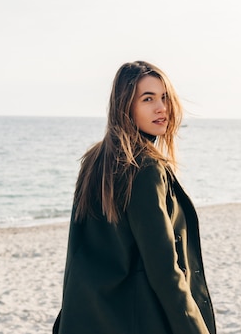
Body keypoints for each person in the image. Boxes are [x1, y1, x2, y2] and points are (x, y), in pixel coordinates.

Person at [53, 61, 216, 334]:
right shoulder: (145, 168)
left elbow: (77, 257)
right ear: (125, 106)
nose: (161, 107)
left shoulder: (96, 160)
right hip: (138, 321)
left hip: (91, 317)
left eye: (164, 97)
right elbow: (164, 269)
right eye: (147, 98)